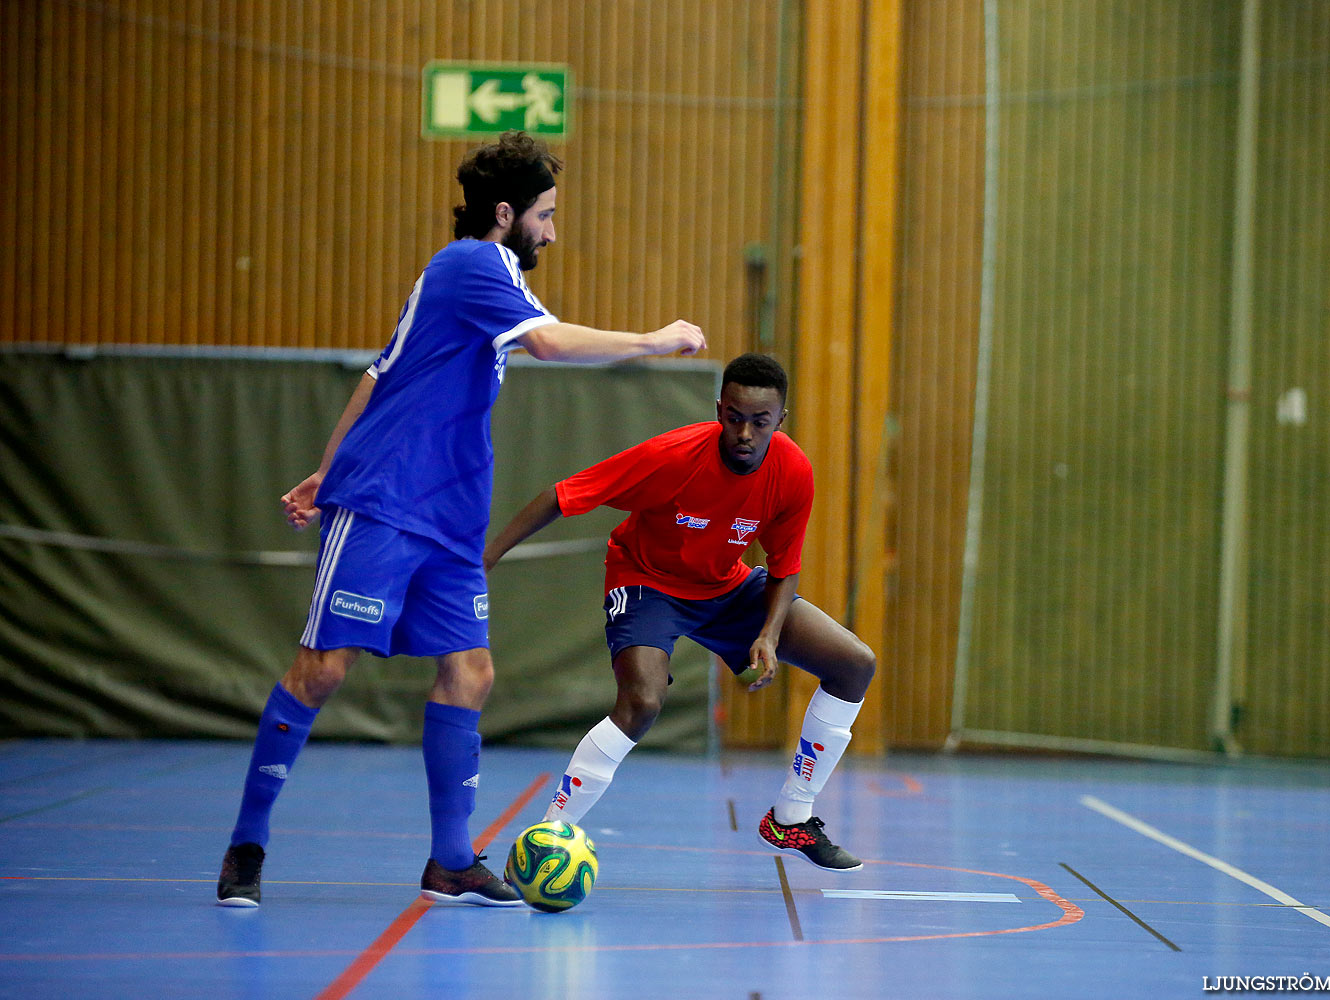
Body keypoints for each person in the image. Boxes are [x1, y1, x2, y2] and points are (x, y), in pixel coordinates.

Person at [216, 131, 708, 908]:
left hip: (450, 518)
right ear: (506, 213)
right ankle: (247, 842)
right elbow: (546, 346)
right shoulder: (475, 264)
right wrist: (658, 339)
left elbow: (380, 375)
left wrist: (322, 467)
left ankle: (450, 860)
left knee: (470, 672)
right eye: (545, 215)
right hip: (386, 501)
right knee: (323, 670)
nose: (553, 230)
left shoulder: (486, 275)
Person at [483, 352, 875, 872]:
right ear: (719, 410)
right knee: (642, 702)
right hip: (648, 581)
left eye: (759, 422)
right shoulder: (672, 456)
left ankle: (791, 817)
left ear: (780, 420)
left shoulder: (793, 471)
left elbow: (785, 565)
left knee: (854, 663)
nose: (744, 433)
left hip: (726, 587)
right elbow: (563, 495)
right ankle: (551, 833)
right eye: (734, 417)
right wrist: (484, 558)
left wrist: (768, 635)